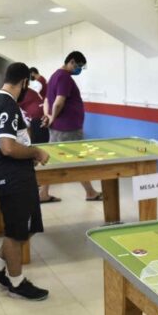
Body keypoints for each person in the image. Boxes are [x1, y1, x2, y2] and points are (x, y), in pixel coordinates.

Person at [0, 63, 51, 300]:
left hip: (10, 175)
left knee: (25, 227)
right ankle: (17, 283)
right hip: (13, 176)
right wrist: (35, 152)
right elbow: (8, 148)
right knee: (16, 232)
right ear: (23, 83)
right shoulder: (8, 105)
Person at [43, 51, 102, 202]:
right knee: (77, 159)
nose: (79, 69)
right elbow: (58, 102)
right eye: (79, 66)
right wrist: (52, 117)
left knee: (53, 159)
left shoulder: (54, 75)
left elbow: (46, 101)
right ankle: (90, 192)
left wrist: (48, 117)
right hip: (68, 128)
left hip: (59, 126)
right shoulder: (64, 77)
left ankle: (44, 193)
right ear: (72, 62)